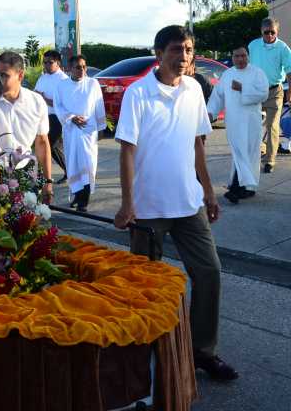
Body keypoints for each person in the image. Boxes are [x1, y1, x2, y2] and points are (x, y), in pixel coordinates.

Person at [114, 25, 238, 381]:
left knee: (210, 273)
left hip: (189, 204)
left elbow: (198, 145)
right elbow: (127, 150)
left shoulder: (195, 90)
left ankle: (203, 351)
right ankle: (143, 352)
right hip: (148, 209)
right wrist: (126, 205)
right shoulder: (138, 94)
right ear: (158, 53)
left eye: (187, 49)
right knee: (144, 285)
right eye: (175, 49)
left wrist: (210, 192)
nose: (183, 56)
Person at [0, 52, 54, 203]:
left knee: (29, 221)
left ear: (20, 75)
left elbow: (41, 142)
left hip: (27, 170)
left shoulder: (36, 102)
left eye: (4, 75)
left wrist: (48, 182)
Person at [207, 46, 269, 204]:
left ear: (248, 56)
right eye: (237, 56)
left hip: (250, 121)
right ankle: (238, 188)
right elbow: (218, 96)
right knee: (239, 153)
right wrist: (210, 113)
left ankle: (244, 188)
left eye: (243, 56)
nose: (240, 59)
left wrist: (243, 88)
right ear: (232, 57)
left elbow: (264, 94)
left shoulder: (257, 73)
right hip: (234, 122)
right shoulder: (228, 75)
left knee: (249, 153)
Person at [53, 55, 106, 212]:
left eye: (84, 66)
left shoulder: (93, 84)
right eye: (78, 67)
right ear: (69, 68)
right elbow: (58, 106)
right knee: (73, 163)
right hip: (71, 131)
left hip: (89, 131)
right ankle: (77, 195)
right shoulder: (61, 86)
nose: (82, 70)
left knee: (88, 163)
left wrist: (102, 127)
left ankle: (85, 200)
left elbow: (99, 105)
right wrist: (71, 118)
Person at [248, 17, 291, 173]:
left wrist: (290, 94)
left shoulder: (283, 49)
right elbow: (249, 68)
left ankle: (270, 160)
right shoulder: (252, 46)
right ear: (261, 31)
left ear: (277, 32)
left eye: (273, 32)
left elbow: (290, 73)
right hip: (256, 90)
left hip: (275, 91)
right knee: (253, 123)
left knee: (272, 125)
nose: (269, 35)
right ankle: (260, 149)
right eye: (266, 32)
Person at [34, 49, 68, 183]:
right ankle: (42, 175)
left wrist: (44, 99)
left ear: (58, 62)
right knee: (43, 145)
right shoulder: (43, 77)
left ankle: (68, 171)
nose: (47, 65)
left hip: (57, 117)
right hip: (42, 116)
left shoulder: (63, 80)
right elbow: (36, 93)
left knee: (52, 145)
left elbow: (64, 104)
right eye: (45, 62)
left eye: (50, 62)